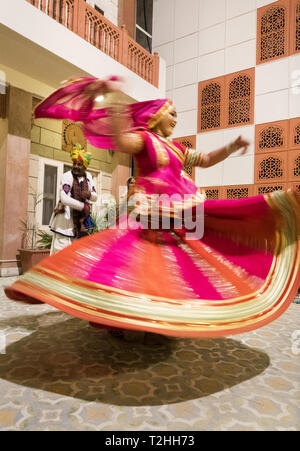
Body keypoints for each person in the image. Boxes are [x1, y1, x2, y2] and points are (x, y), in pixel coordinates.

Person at [5, 76, 300, 342]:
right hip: (145, 218)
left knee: (167, 268)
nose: (175, 118)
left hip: (174, 214)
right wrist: (118, 102)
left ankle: (157, 317)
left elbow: (207, 159)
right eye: (171, 113)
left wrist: (232, 145)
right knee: (126, 266)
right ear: (156, 116)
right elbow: (121, 140)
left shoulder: (178, 150)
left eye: (176, 114)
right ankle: (117, 314)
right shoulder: (145, 140)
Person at [49, 143, 97, 254]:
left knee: (75, 254)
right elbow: (64, 198)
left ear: (85, 166)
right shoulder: (67, 176)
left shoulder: (88, 177)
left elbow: (95, 196)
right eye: (74, 163)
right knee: (61, 252)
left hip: (79, 222)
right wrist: (83, 206)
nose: (76, 166)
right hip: (64, 221)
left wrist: (89, 194)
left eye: (79, 164)